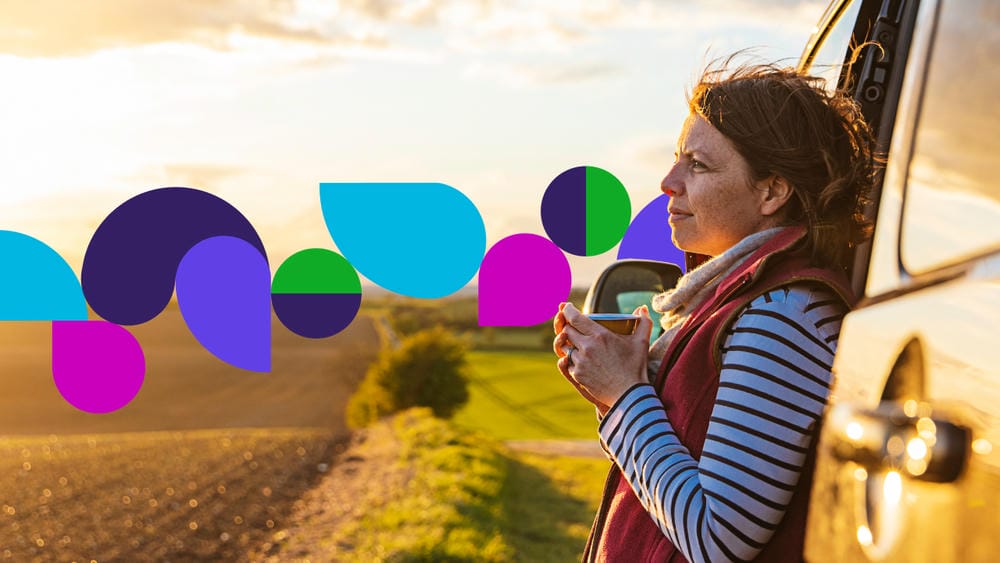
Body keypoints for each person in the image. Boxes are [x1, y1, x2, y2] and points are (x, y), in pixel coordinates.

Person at [553, 60, 877, 562]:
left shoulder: (782, 313)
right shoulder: (745, 297)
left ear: (772, 191)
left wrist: (622, 395)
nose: (668, 181)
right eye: (677, 159)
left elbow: (719, 538)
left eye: (697, 165)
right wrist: (615, 385)